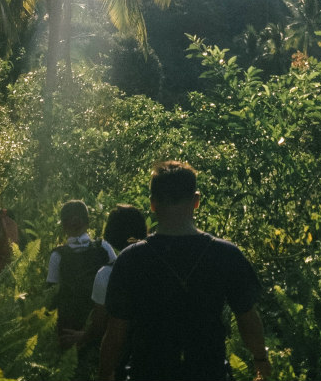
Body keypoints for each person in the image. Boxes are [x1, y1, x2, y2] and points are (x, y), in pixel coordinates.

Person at [99, 161, 271, 381]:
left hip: (149, 372)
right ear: (196, 201)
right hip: (209, 372)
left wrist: (105, 374)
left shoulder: (131, 259)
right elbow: (248, 317)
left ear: (152, 204)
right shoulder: (225, 254)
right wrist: (260, 360)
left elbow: (115, 332)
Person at [61, 204, 148, 375]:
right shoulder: (156, 267)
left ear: (110, 233)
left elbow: (99, 326)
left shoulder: (106, 274)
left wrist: (83, 337)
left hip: (121, 358)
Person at [48, 200, 117, 379]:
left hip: (67, 327)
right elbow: (117, 283)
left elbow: (51, 295)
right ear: (88, 223)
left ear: (63, 226)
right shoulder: (103, 247)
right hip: (100, 325)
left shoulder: (57, 255)